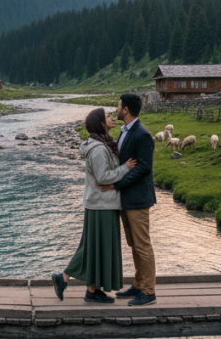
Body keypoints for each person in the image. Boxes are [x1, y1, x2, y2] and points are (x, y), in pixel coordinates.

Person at [51, 108, 136, 303]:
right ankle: (88, 289)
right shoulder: (98, 149)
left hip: (100, 203)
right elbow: (102, 177)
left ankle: (79, 284)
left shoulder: (102, 144)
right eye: (107, 116)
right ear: (101, 123)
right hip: (101, 204)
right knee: (96, 247)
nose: (111, 117)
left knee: (92, 247)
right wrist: (125, 168)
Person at [105, 93, 157, 306]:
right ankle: (139, 284)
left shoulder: (142, 134)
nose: (116, 109)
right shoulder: (125, 130)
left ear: (126, 109)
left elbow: (144, 168)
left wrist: (117, 184)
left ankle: (149, 291)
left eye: (118, 106)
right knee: (134, 243)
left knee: (142, 244)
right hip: (127, 199)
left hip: (138, 199)